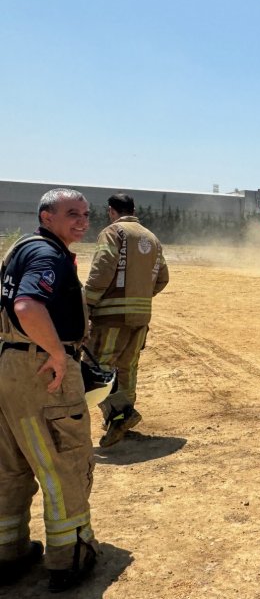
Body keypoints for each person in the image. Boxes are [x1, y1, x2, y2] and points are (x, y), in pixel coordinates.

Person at [0, 188, 99, 592]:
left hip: (11, 367)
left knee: (11, 466)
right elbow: (27, 306)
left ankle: (8, 551)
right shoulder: (48, 255)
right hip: (41, 371)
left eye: (86, 214)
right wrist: (57, 353)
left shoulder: (21, 249)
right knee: (64, 462)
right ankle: (68, 557)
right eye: (71, 213)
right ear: (46, 217)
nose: (81, 220)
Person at [85, 193, 169, 448]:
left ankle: (120, 413)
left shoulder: (113, 232)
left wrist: (86, 303)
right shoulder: (151, 238)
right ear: (134, 209)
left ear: (111, 211)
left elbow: (102, 270)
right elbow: (163, 278)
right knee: (127, 367)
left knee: (94, 367)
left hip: (111, 316)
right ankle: (119, 420)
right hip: (141, 317)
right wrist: (142, 295)